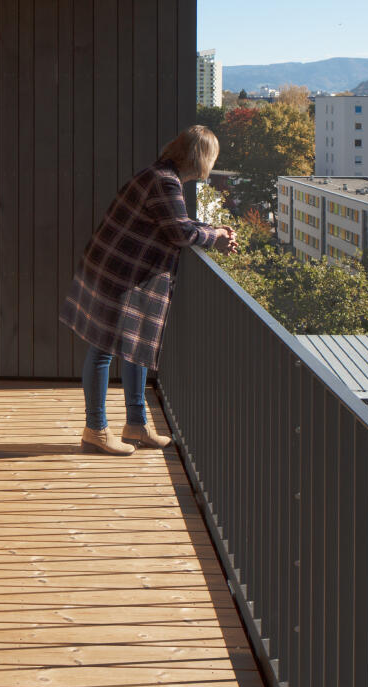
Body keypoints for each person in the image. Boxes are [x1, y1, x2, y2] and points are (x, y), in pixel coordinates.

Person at [59, 125, 238, 455]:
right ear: (201, 158)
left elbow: (175, 221)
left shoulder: (160, 176)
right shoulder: (165, 182)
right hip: (118, 274)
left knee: (135, 346)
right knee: (102, 349)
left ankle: (136, 425)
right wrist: (214, 236)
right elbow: (180, 233)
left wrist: (212, 230)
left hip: (120, 270)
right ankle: (95, 430)